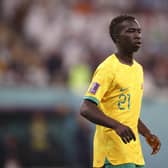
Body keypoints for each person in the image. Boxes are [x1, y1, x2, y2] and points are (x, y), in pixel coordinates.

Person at [80, 15, 161, 168]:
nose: (137, 35)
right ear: (117, 38)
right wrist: (117, 126)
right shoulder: (107, 68)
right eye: (130, 31)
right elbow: (86, 108)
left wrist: (147, 134)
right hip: (112, 155)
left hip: (133, 153)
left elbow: (127, 112)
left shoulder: (138, 69)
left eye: (139, 31)